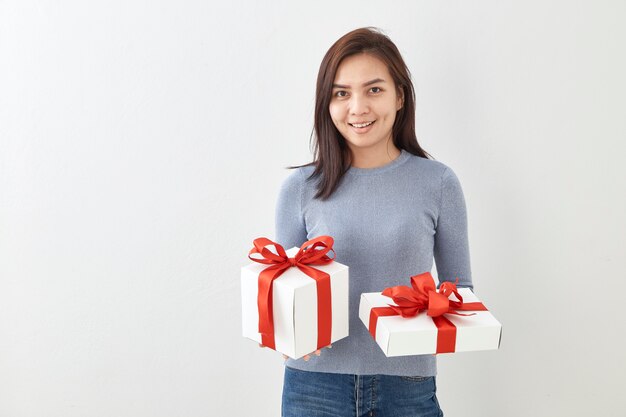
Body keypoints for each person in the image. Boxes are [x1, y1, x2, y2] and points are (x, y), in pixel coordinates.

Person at [273, 27, 473, 417]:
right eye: (341, 93)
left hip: (407, 386)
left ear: (400, 96)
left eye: (374, 90)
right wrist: (289, 332)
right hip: (314, 386)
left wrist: (425, 310)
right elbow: (282, 294)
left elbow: (460, 290)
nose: (358, 108)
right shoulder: (299, 188)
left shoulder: (439, 183)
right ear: (326, 105)